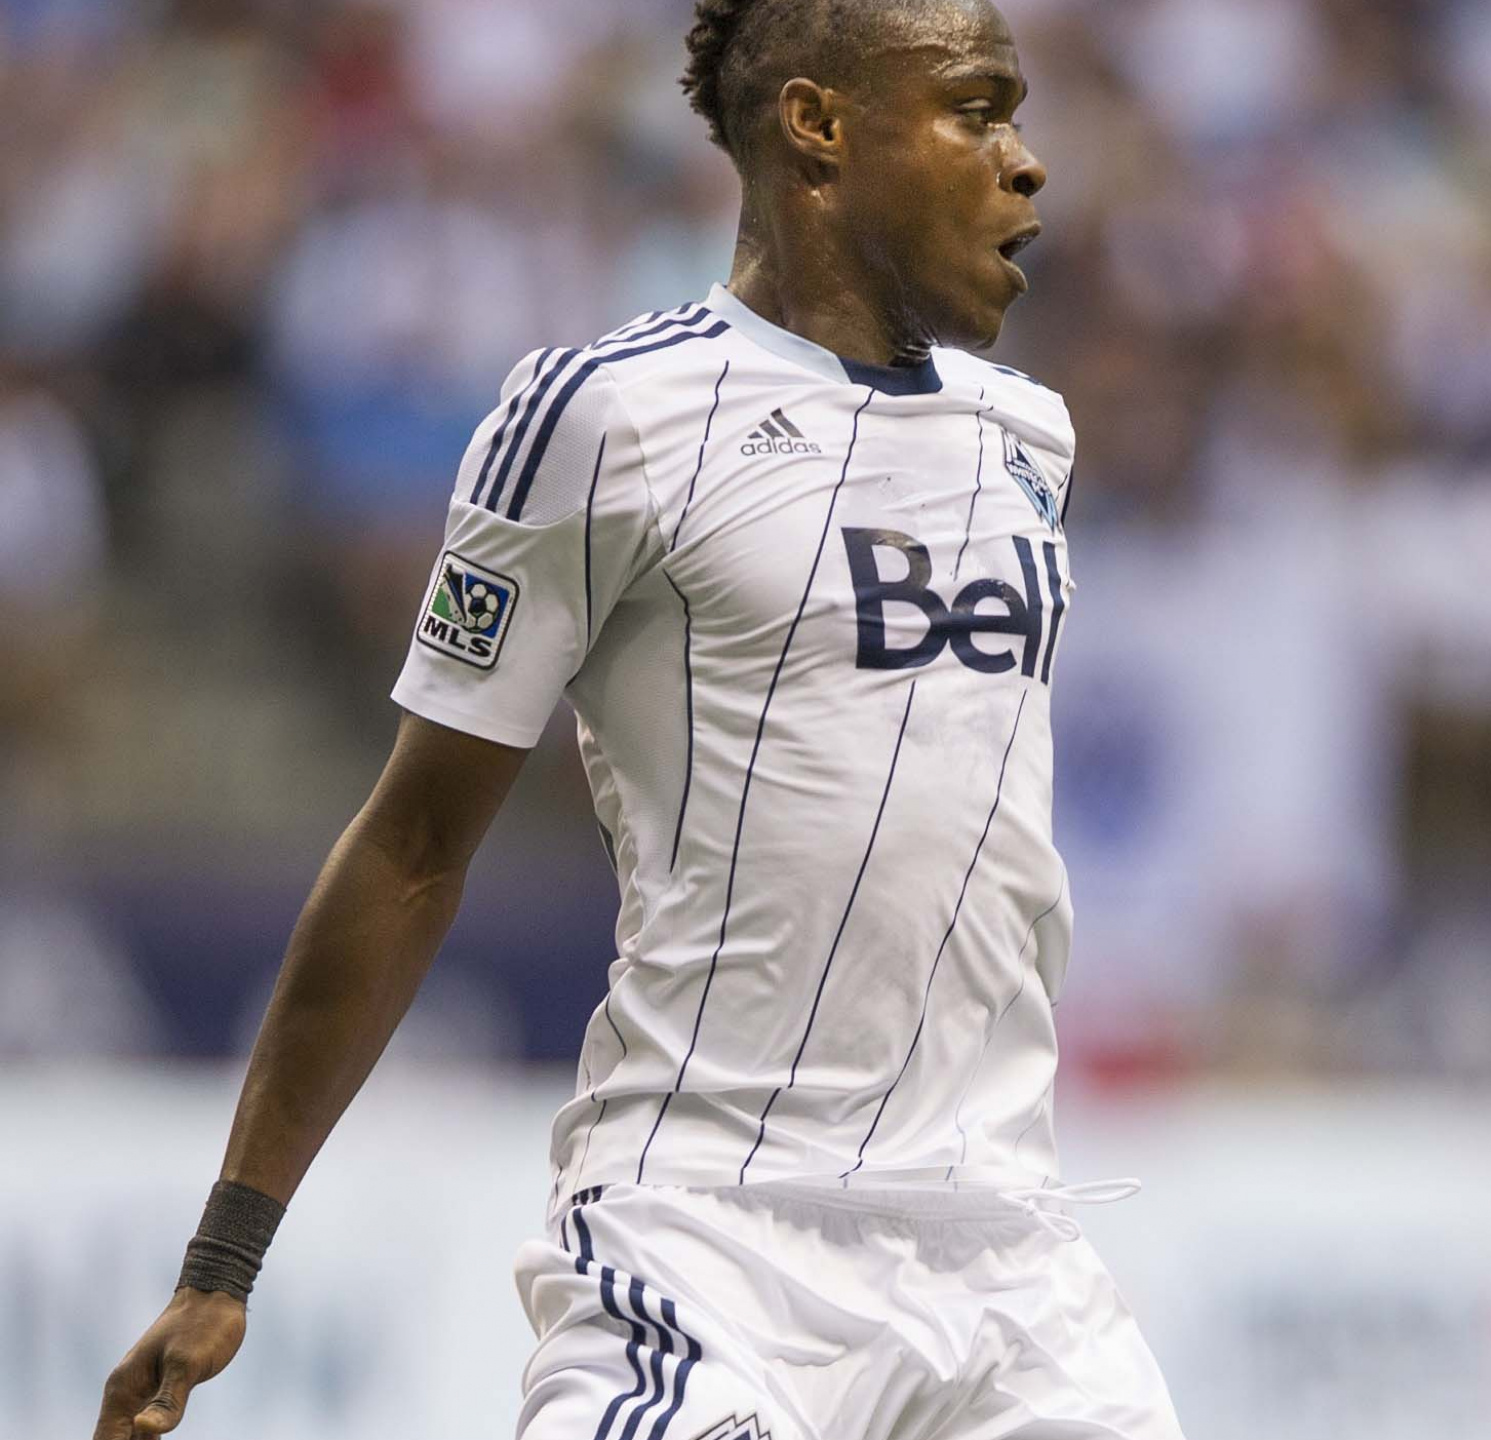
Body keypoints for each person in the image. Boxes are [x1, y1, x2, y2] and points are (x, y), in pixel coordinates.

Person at [92, 2, 1184, 1436]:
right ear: (819, 125)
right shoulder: (608, 418)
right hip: (711, 1253)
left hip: (1010, 1261)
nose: (1027, 162)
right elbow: (414, 844)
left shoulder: (1025, 439)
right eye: (977, 110)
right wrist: (227, 1253)